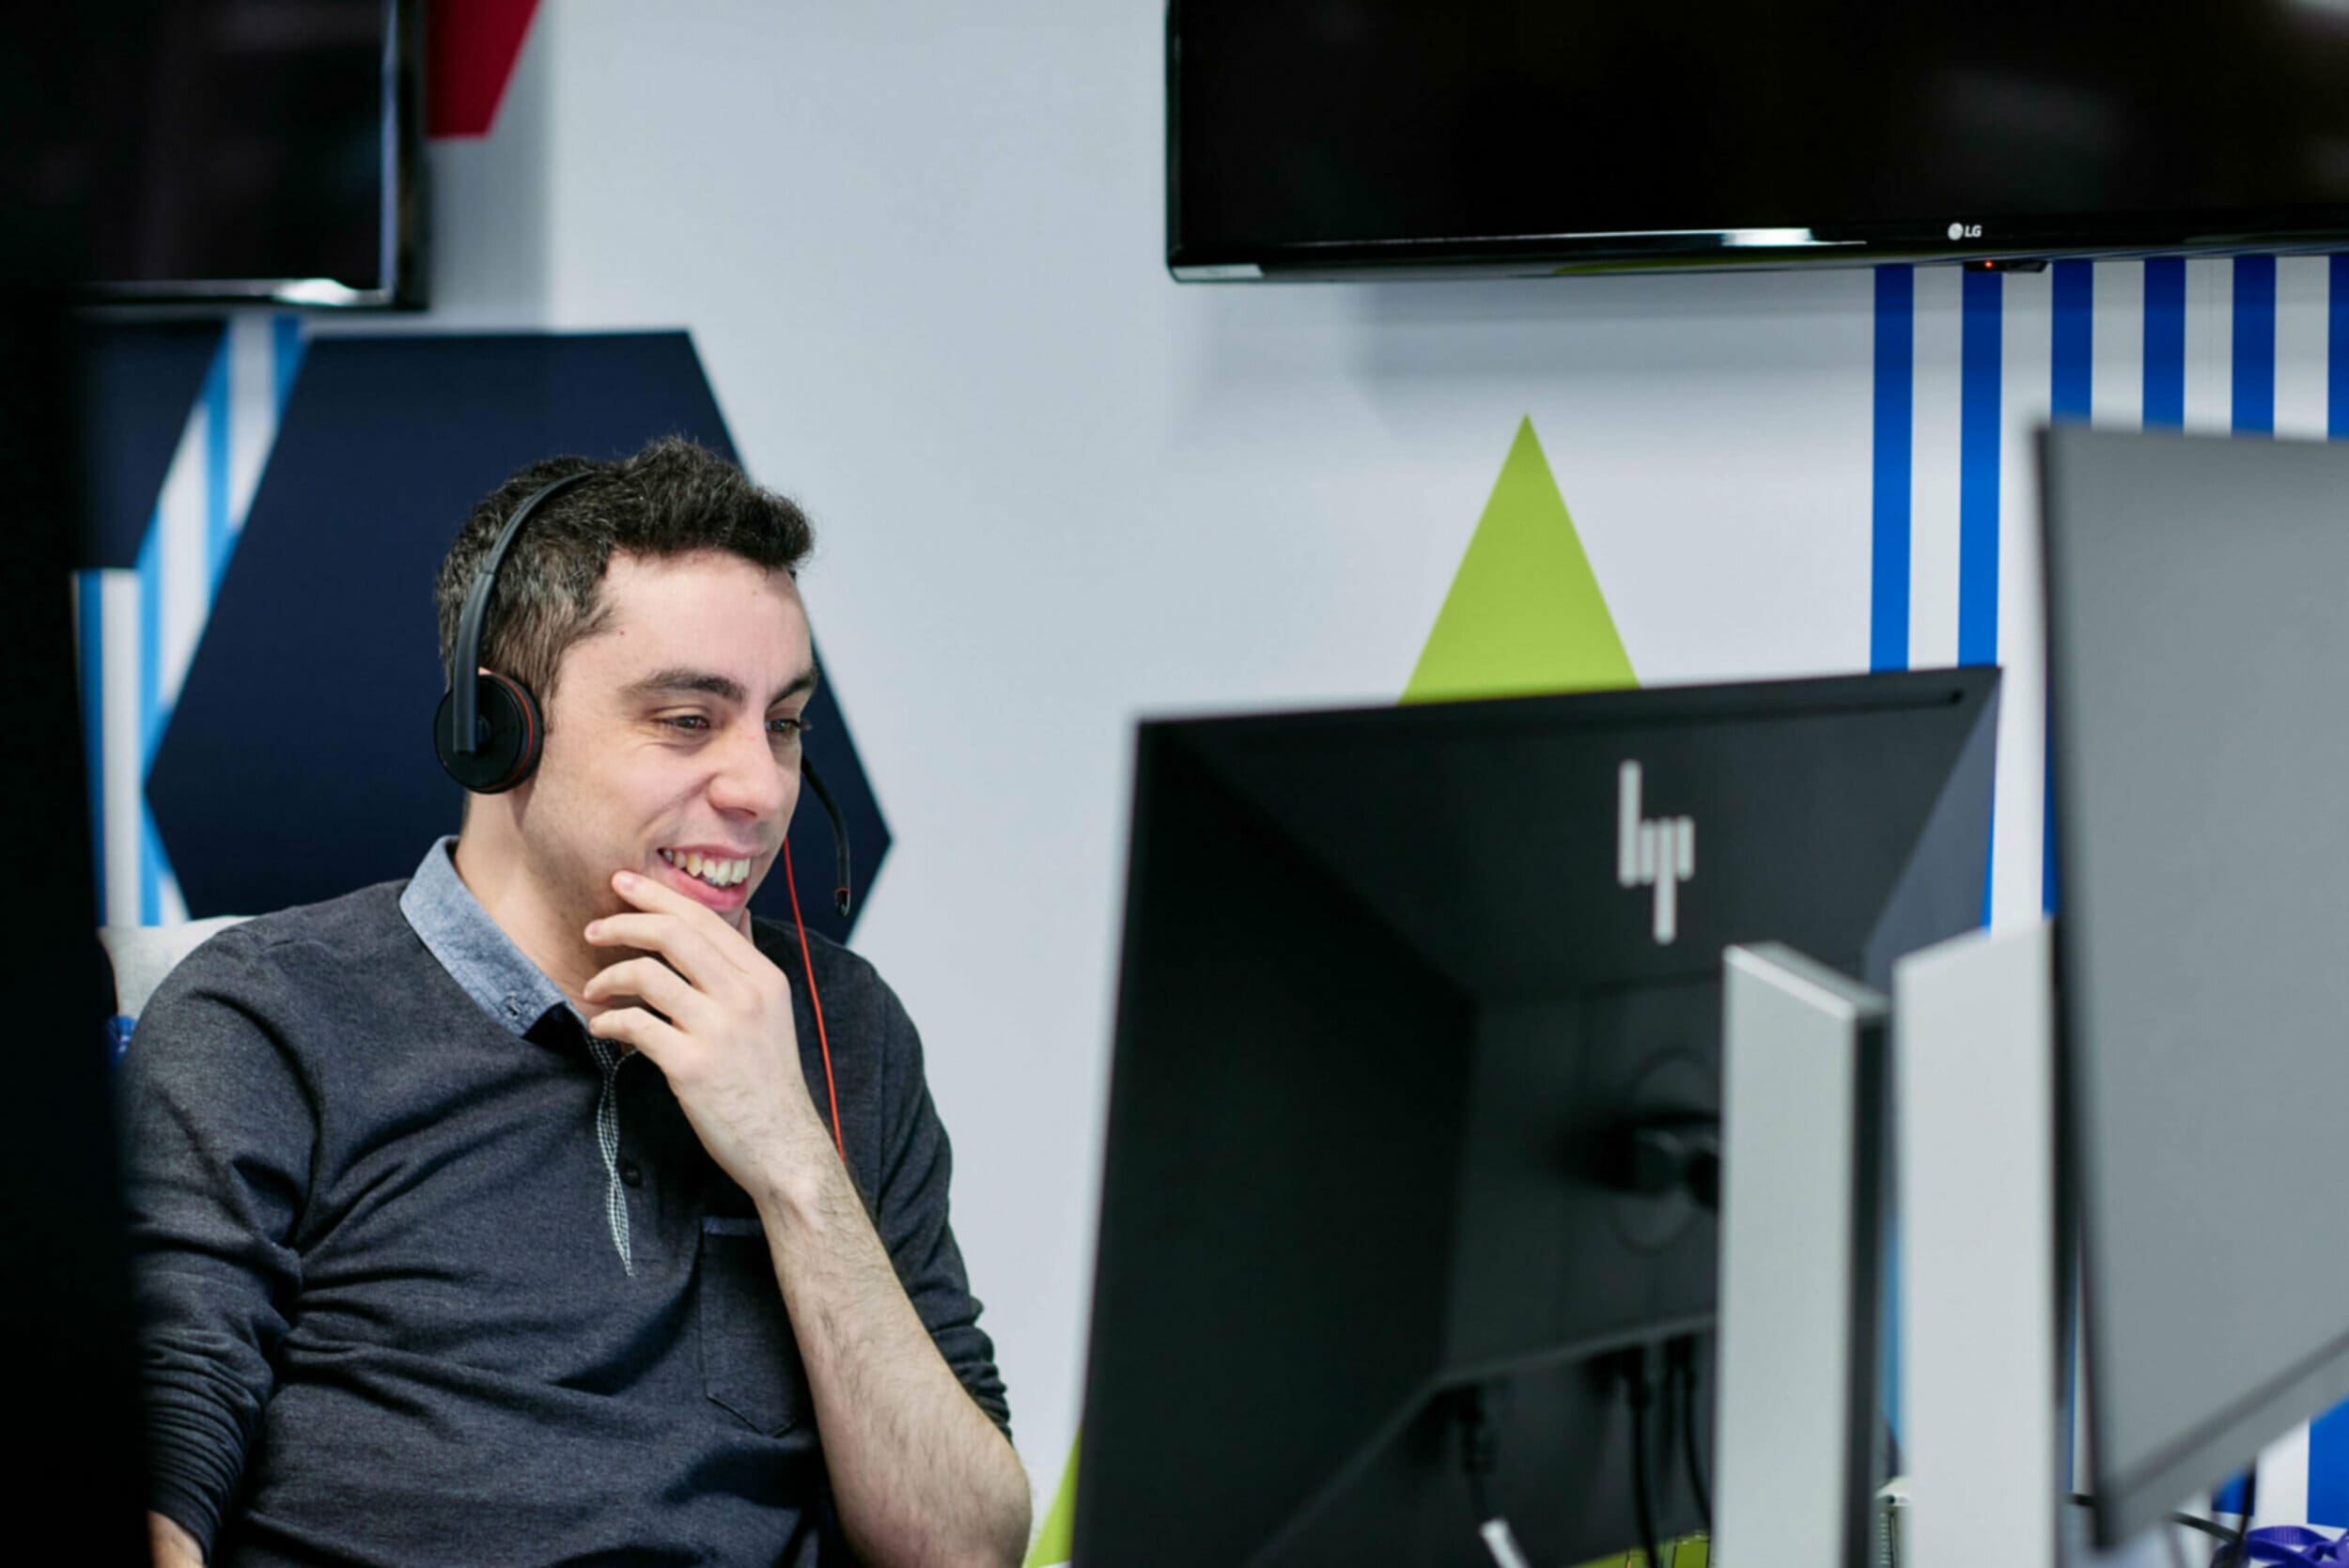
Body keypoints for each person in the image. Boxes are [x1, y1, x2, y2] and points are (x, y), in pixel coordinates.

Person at [124, 438, 1030, 1567]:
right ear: (495, 731)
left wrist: (794, 1164)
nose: (760, 788)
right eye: (689, 720)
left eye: (784, 722)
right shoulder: (266, 1021)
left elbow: (967, 1548)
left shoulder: (843, 1028)